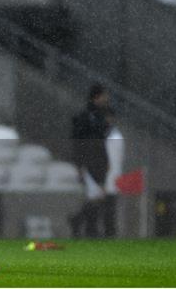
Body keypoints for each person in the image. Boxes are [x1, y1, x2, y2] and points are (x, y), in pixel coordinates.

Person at [69, 83, 110, 238]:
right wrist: (79, 163)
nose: (106, 99)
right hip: (90, 160)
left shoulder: (98, 116)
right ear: (97, 97)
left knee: (96, 196)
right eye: (104, 96)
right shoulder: (87, 117)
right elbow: (78, 141)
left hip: (97, 160)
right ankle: (86, 226)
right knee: (96, 195)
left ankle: (81, 222)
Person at [103, 109, 124, 237]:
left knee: (109, 208)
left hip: (111, 177)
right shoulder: (108, 135)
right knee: (106, 208)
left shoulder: (115, 136)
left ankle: (109, 233)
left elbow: (113, 160)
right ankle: (107, 232)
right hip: (108, 177)